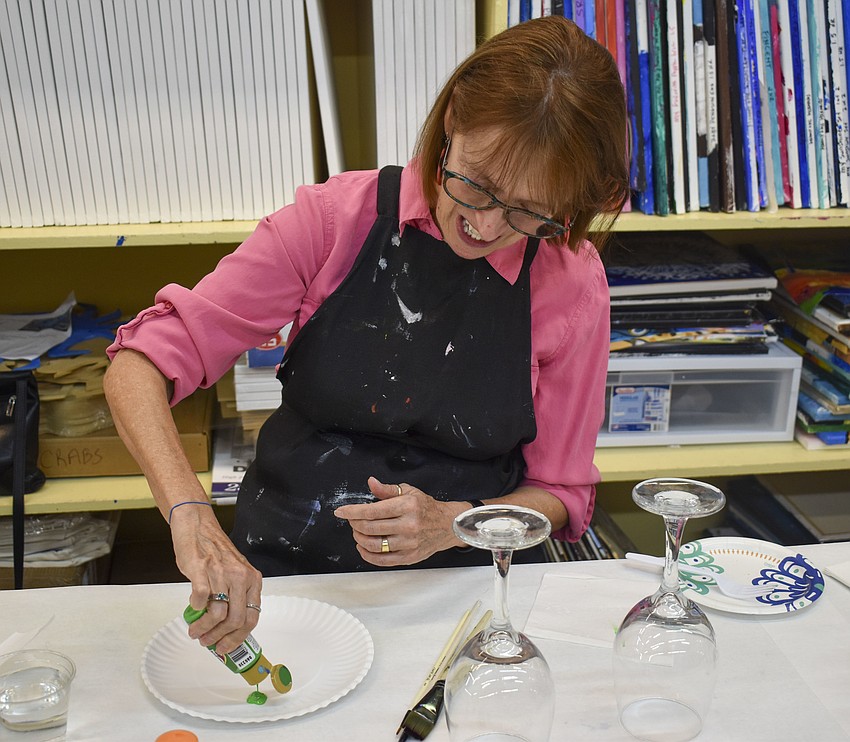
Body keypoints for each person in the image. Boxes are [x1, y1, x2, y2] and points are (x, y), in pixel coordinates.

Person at [103, 15, 629, 655]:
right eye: (476, 184)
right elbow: (139, 366)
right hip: (283, 586)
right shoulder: (333, 222)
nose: (486, 226)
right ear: (452, 118)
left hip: (465, 596)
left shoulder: (571, 283)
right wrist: (192, 519)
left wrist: (459, 525)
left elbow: (559, 495)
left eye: (529, 212)